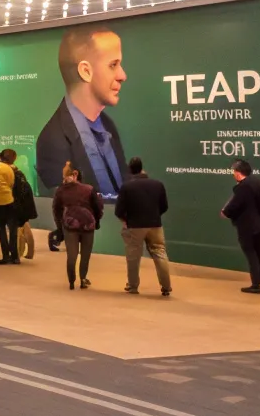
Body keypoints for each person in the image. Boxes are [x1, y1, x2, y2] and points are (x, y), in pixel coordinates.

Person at [36, 25, 128, 199]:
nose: (122, 75)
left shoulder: (109, 127)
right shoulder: (53, 141)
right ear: (86, 71)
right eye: (113, 65)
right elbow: (62, 205)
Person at [222, 159, 260, 294]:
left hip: (248, 227)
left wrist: (225, 212)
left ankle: (255, 284)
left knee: (251, 254)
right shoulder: (258, 183)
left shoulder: (243, 187)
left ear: (238, 173)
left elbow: (235, 205)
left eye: (234, 172)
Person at [115, 156, 171, 296]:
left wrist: (125, 220)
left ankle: (133, 286)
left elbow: (119, 211)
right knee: (160, 253)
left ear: (130, 170)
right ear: (142, 168)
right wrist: (154, 216)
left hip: (134, 226)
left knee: (133, 256)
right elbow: (164, 206)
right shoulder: (158, 184)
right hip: (155, 225)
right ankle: (166, 287)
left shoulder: (126, 187)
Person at [51, 162, 104, 290]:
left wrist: (60, 226)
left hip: (70, 225)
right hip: (88, 225)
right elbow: (98, 207)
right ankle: (83, 279)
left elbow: (56, 210)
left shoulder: (60, 190)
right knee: (85, 254)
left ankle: (71, 281)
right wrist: (96, 221)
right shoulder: (89, 189)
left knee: (72, 254)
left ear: (73, 174)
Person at [0, 149, 21, 264]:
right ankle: (15, 256)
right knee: (12, 230)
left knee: (1, 230)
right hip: (9, 200)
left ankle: (5, 256)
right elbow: (11, 184)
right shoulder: (10, 169)